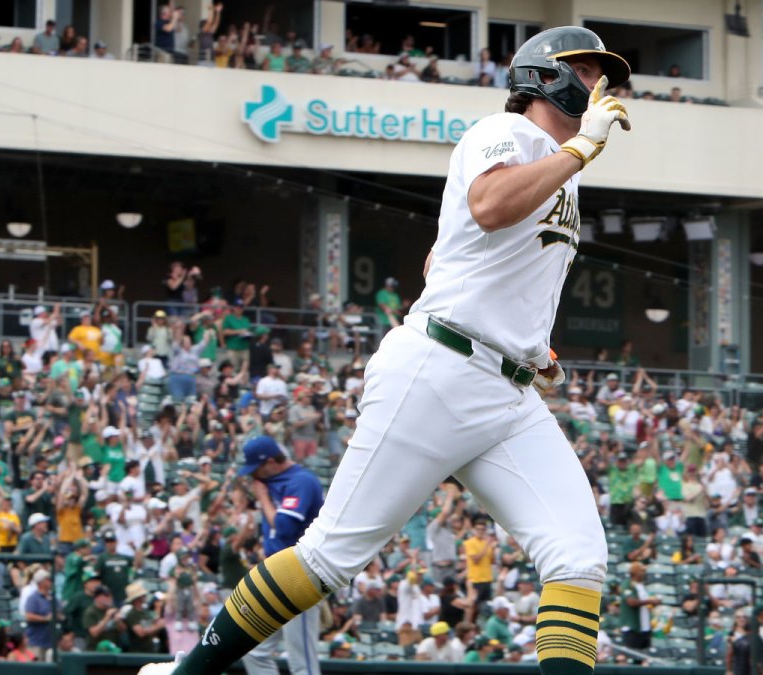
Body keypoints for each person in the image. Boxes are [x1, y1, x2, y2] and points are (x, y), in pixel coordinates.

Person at [142, 25, 631, 675]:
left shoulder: (558, 164)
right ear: (547, 74)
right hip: (443, 368)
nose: (602, 84)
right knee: (326, 558)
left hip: (506, 387)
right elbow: (487, 206)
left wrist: (524, 337)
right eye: (591, 69)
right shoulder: (505, 133)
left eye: (603, 73)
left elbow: (449, 253)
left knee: (577, 554)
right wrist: (580, 148)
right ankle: (188, 673)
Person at [236, 436, 324, 675]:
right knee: (255, 652)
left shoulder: (301, 481)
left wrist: (263, 497)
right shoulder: (272, 480)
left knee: (302, 663)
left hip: (300, 575)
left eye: (258, 469)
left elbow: (284, 529)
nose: (255, 476)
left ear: (273, 462)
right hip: (274, 575)